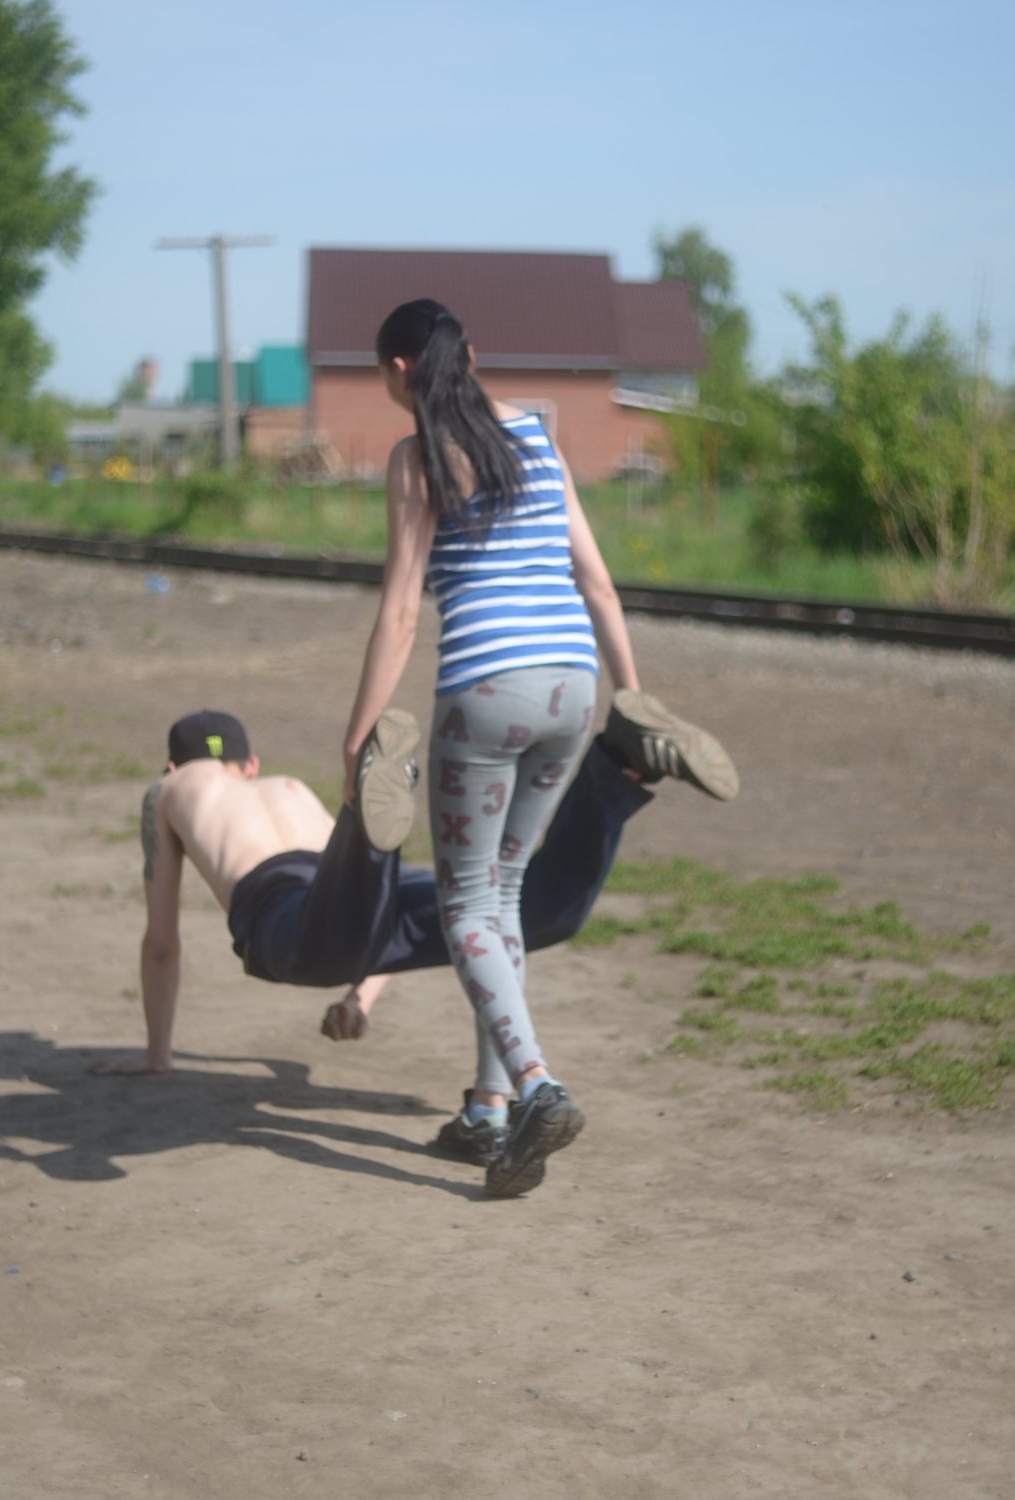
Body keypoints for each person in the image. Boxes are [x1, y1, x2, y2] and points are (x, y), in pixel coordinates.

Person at [339, 298, 737, 1197]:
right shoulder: (537, 438)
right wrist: (631, 701)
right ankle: (485, 1109)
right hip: (572, 685)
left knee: (465, 904)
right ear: (470, 356)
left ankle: (535, 1087)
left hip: (485, 694)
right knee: (504, 896)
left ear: (398, 373)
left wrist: (359, 732)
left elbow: (403, 613)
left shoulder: (416, 459)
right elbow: (595, 579)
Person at [102, 701, 734, 1172]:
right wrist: (362, 997)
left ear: (171, 764)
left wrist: (159, 1055)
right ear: (252, 764)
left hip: (284, 910)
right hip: (349, 882)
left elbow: (163, 940)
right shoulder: (285, 787)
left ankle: (374, 814)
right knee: (534, 911)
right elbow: (369, 917)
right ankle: (617, 764)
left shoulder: (169, 790)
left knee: (325, 939)